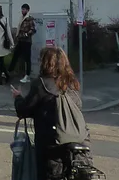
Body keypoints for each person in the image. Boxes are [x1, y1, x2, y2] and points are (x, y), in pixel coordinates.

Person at [11, 47, 89, 180]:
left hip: (51, 144)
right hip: (79, 140)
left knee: (49, 174)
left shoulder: (41, 84)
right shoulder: (72, 83)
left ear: (45, 63)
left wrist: (18, 98)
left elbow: (24, 110)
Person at [8, 3, 36, 81]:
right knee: (15, 56)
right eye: (22, 9)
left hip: (26, 41)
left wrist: (26, 34)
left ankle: (27, 75)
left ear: (27, 10)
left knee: (27, 58)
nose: (22, 11)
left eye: (24, 9)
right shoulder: (21, 18)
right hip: (20, 40)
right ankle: (9, 71)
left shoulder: (29, 19)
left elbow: (33, 29)